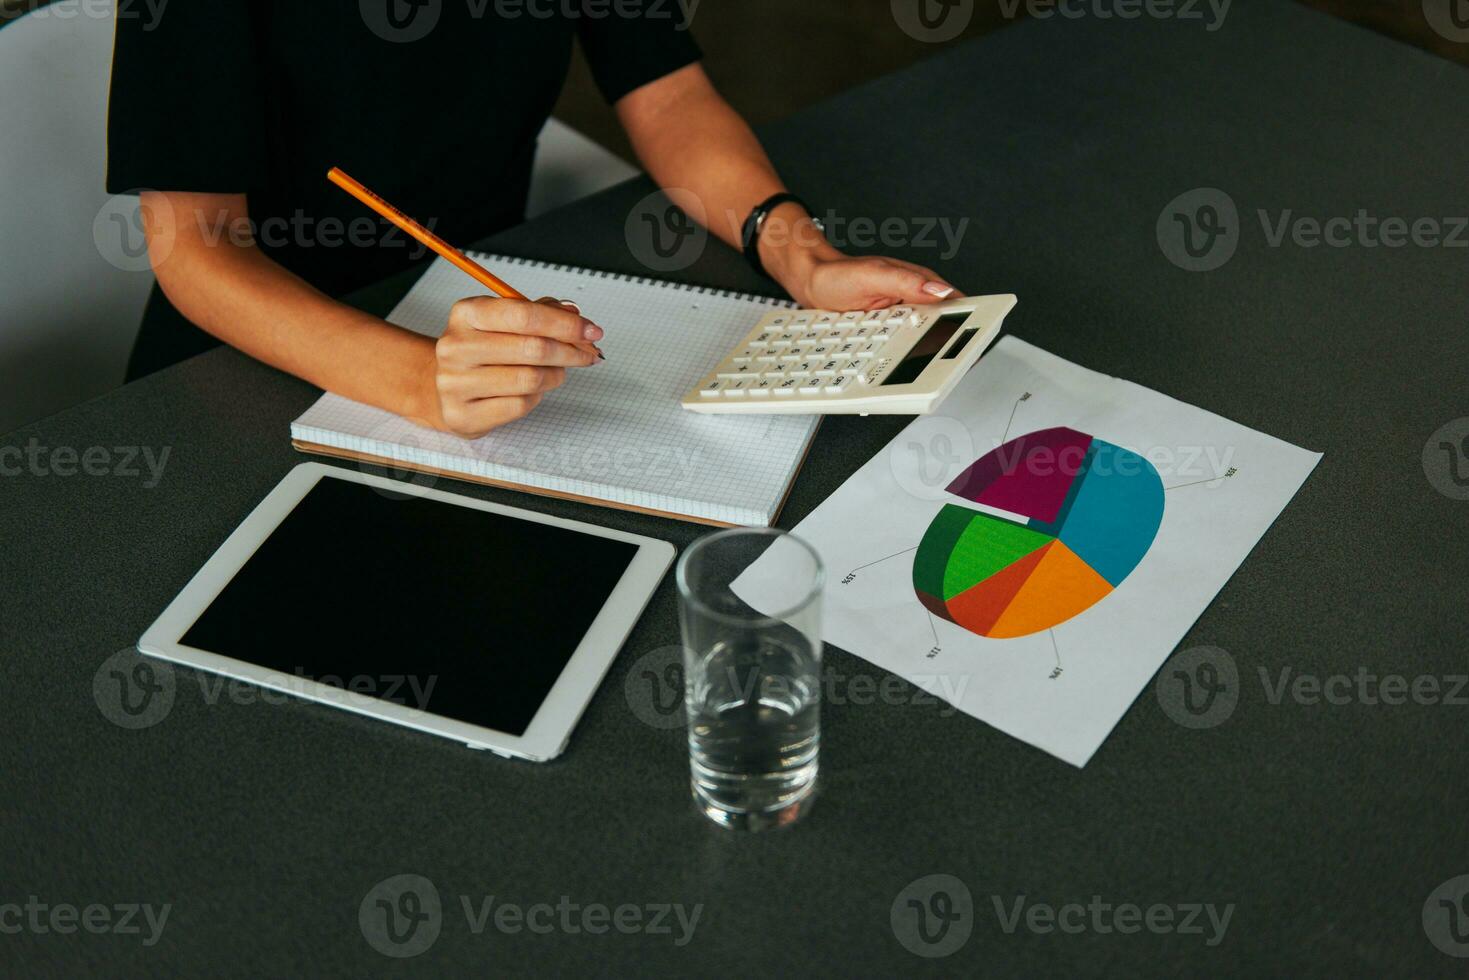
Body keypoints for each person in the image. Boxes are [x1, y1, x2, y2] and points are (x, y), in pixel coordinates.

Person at [107, 3, 960, 438]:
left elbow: (667, 95)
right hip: (246, 373)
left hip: (472, 328)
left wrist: (797, 255)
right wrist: (418, 383)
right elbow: (193, 246)